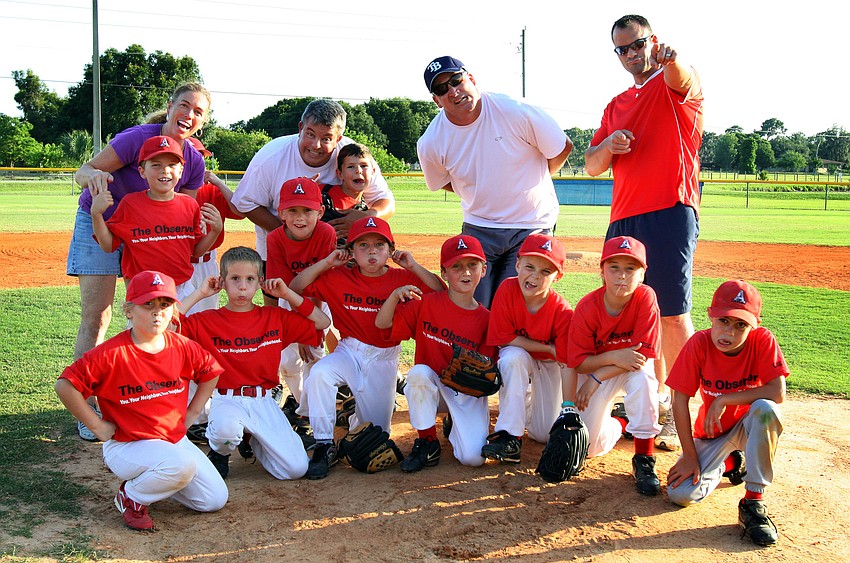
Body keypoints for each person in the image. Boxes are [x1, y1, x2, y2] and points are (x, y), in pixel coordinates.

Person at [584, 14, 704, 452]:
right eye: (623, 49)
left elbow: (682, 75)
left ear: (653, 41)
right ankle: (645, 402)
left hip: (670, 210)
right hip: (623, 218)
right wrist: (608, 144)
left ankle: (681, 409)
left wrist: (671, 60)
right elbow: (592, 164)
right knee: (631, 311)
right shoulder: (615, 104)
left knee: (672, 313)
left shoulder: (673, 86)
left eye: (638, 45)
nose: (632, 54)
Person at [69, 83, 211, 441]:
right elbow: (82, 171)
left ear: (203, 121)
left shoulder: (193, 160)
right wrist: (96, 179)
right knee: (98, 315)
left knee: (159, 316)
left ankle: (154, 403)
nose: (189, 115)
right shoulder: (136, 140)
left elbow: (183, 217)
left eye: (198, 111)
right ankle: (87, 411)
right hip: (100, 221)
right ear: (170, 106)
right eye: (184, 106)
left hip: (151, 233)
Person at [54, 270, 227, 531]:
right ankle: (131, 496)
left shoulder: (181, 345)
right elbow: (65, 386)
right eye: (148, 305)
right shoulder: (111, 353)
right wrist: (98, 427)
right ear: (129, 310)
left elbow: (210, 371)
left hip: (172, 440)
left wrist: (193, 411)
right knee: (180, 465)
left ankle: (156, 482)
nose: (158, 312)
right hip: (128, 446)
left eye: (165, 304)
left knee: (213, 499)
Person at [289, 216, 445, 479]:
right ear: (350, 252)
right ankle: (324, 444)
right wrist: (328, 262)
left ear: (390, 251)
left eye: (379, 245)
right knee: (320, 374)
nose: (372, 251)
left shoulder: (401, 277)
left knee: (377, 435)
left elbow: (440, 291)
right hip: (349, 351)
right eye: (363, 245)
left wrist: (413, 265)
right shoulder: (337, 276)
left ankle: (353, 417)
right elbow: (296, 286)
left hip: (384, 359)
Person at [416, 55, 573, 308]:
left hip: (530, 224)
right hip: (479, 227)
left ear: (471, 79)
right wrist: (478, 190)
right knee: (474, 306)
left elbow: (562, 146)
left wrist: (536, 179)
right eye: (442, 89)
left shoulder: (514, 111)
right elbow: (440, 182)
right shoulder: (431, 141)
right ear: (436, 100)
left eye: (457, 80)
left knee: (514, 307)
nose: (454, 91)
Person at [179, 247, 331, 481]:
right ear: (223, 282)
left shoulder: (273, 317)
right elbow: (167, 328)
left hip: (263, 400)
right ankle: (220, 452)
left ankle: (255, 439)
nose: (242, 286)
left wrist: (288, 294)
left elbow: (322, 322)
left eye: (250, 279)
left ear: (260, 282)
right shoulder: (207, 320)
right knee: (226, 431)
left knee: (295, 469)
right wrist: (200, 293)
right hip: (226, 398)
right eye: (235, 279)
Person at [231, 98, 395, 306]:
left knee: (326, 315)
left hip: (331, 256)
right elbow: (245, 203)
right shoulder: (272, 156)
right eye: (310, 134)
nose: (316, 145)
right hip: (278, 251)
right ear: (300, 128)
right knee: (280, 312)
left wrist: (367, 216)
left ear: (338, 138)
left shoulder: (351, 155)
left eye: (326, 138)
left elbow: (385, 200)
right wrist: (291, 234)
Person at [666, 280, 789, 547]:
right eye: (723, 320)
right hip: (713, 433)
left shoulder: (762, 340)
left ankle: (753, 501)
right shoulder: (699, 344)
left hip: (749, 427)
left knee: (766, 409)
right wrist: (689, 456)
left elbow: (777, 392)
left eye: (740, 325)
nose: (729, 332)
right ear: (711, 314)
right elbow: (679, 402)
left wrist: (725, 399)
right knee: (680, 494)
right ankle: (731, 463)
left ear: (753, 325)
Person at [375, 234, 493, 472]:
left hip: (464, 392)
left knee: (473, 458)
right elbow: (382, 324)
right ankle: (427, 441)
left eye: (472, 265)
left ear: (484, 269)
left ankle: (454, 424)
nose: (465, 272)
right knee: (418, 373)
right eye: (456, 266)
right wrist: (394, 296)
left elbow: (487, 375)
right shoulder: (425, 302)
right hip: (433, 387)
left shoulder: (487, 320)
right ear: (444, 272)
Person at [566, 236, 663, 495]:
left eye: (630, 268)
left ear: (642, 274)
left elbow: (641, 356)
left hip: (629, 368)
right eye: (614, 267)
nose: (622, 275)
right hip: (604, 368)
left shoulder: (645, 297)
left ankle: (644, 458)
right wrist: (611, 359)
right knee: (589, 448)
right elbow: (578, 362)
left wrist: (599, 376)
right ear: (602, 272)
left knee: (643, 380)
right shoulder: (587, 306)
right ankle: (620, 422)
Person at [91, 135, 223, 299]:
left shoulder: (190, 205)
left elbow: (195, 252)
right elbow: (108, 245)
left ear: (181, 171)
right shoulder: (130, 204)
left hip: (182, 287)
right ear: (142, 171)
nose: (165, 170)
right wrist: (96, 215)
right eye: (156, 165)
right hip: (144, 289)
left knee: (185, 326)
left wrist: (215, 231)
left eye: (172, 165)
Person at [484, 233, 574, 464]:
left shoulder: (563, 311)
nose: (535, 276)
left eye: (546, 271)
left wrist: (568, 407)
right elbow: (503, 338)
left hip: (549, 363)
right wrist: (549, 348)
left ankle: (619, 419)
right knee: (513, 358)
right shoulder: (507, 288)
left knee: (543, 434)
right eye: (529, 266)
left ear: (558, 277)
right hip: (529, 356)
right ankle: (510, 436)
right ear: (517, 264)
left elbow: (565, 363)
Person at [265, 177, 337, 442]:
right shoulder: (275, 239)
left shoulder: (325, 233)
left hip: (321, 302)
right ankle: (300, 404)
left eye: (307, 210)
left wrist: (309, 329)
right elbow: (286, 287)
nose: (299, 217)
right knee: (287, 360)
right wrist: (296, 326)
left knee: (315, 354)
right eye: (292, 210)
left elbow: (319, 286)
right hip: (289, 299)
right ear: (281, 213)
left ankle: (309, 414)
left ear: (319, 212)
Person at [184, 137, 245, 315]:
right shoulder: (171, 191)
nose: (197, 162)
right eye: (192, 158)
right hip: (181, 263)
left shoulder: (212, 190)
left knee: (207, 315)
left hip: (207, 263)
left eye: (200, 158)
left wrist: (218, 182)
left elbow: (239, 212)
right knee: (179, 319)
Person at [319, 142, 374, 247]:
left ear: (373, 172)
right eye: (351, 167)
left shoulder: (364, 209)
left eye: (364, 166)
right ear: (340, 174)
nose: (358, 171)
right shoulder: (323, 193)